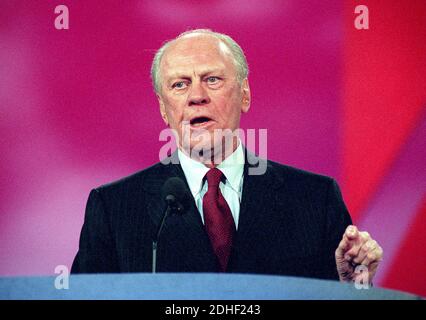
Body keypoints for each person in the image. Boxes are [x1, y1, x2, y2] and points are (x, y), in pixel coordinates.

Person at [71, 29, 383, 284]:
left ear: (244, 94)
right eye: (180, 85)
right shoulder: (114, 208)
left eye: (212, 80)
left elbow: (341, 296)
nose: (197, 96)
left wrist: (351, 288)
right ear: (164, 109)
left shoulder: (315, 199)